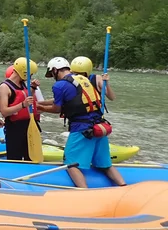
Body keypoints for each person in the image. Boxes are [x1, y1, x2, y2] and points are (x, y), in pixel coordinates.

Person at [37, 57, 125, 188]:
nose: (52, 77)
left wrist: (40, 108)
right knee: (105, 165)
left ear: (55, 70)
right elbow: (72, 99)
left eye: (52, 74)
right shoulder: (84, 79)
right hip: (99, 126)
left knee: (71, 164)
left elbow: (57, 108)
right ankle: (124, 186)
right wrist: (42, 103)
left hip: (82, 129)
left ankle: (84, 192)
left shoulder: (59, 85)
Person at [0, 57, 40, 161]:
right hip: (14, 128)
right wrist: (22, 105)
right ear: (24, 72)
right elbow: (4, 112)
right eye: (30, 74)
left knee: (30, 157)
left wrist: (33, 89)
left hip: (28, 126)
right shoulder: (5, 87)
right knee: (15, 157)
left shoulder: (22, 84)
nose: (30, 77)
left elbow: (28, 99)